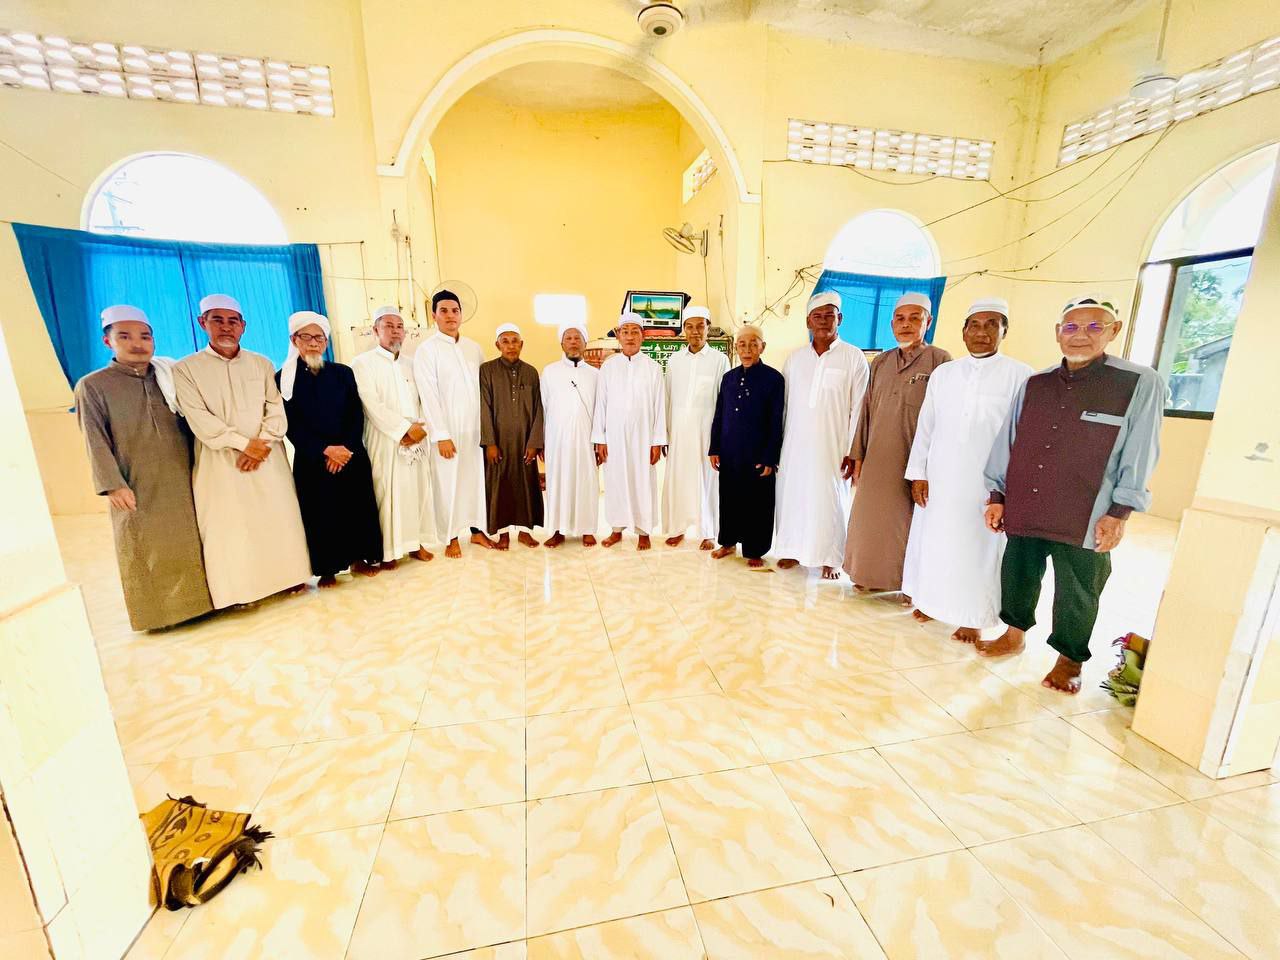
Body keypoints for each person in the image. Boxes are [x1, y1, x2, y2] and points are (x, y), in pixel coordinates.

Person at [981, 294, 1164, 694]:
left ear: (1113, 331)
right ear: (1058, 332)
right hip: (1027, 499)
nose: (1081, 335)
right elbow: (1008, 440)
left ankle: (1070, 658)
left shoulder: (1137, 382)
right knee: (1018, 573)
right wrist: (997, 494)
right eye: (1072, 326)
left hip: (1087, 508)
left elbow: (1142, 448)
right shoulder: (1037, 383)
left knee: (1079, 588)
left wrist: (1120, 510)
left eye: (1094, 326)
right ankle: (1013, 635)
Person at [900, 298, 1032, 641]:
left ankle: (972, 617)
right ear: (963, 332)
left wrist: (1006, 489)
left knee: (978, 549)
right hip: (941, 477)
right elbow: (926, 426)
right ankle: (931, 601)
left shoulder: (1021, 375)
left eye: (992, 325)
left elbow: (1023, 436)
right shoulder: (944, 374)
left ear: (1004, 331)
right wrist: (918, 473)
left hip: (987, 483)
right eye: (974, 324)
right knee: (935, 541)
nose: (982, 332)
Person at [74, 305, 212, 630]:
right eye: (125, 336)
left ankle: (201, 606)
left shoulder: (170, 377)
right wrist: (112, 484)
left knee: (191, 540)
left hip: (183, 474)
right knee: (145, 545)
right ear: (108, 341)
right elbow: (94, 439)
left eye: (145, 336)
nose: (137, 344)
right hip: (134, 480)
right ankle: (158, 616)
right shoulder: (93, 386)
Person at [172, 294, 311, 607]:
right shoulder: (186, 369)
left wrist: (262, 442)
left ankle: (288, 577)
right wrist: (244, 445)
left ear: (243, 326)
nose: (226, 327)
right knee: (232, 526)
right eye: (217, 320)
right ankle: (241, 592)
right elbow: (199, 417)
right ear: (202, 323)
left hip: (267, 456)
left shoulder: (261, 364)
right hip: (222, 460)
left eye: (232, 321)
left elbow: (275, 407)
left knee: (277, 517)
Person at [843, 292, 952, 594]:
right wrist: (858, 455)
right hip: (877, 457)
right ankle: (867, 575)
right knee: (869, 519)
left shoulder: (941, 361)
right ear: (892, 324)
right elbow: (865, 410)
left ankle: (908, 585)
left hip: (914, 461)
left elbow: (945, 418)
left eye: (915, 318)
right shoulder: (881, 362)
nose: (906, 325)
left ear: (928, 322)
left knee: (909, 525)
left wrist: (928, 468)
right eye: (900, 319)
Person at [276, 311, 384, 587]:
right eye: (307, 337)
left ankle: (360, 558)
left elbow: (355, 414)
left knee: (356, 508)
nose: (314, 343)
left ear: (326, 342)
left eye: (319, 337)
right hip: (314, 459)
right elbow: (291, 425)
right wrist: (325, 450)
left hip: (350, 454)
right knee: (322, 514)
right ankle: (328, 568)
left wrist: (345, 448)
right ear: (294, 340)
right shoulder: (283, 379)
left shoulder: (342, 373)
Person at [773, 291, 870, 579]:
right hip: (794, 445)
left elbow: (859, 408)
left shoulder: (853, 358)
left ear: (840, 319)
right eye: (817, 316)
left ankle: (831, 558)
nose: (824, 321)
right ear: (808, 322)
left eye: (830, 315)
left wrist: (853, 450)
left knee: (830, 501)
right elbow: (784, 406)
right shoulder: (795, 359)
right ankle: (791, 549)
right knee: (792, 496)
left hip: (834, 446)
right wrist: (777, 446)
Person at [350, 306, 437, 569]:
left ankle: (415, 543)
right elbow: (371, 404)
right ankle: (390, 551)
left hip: (417, 437)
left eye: (399, 327)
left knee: (417, 491)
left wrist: (420, 428)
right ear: (376, 330)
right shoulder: (362, 363)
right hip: (385, 438)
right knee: (388, 493)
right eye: (389, 326)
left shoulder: (412, 363)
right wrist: (402, 430)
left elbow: (426, 398)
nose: (395, 331)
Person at [413, 289, 495, 558]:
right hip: (447, 431)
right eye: (444, 311)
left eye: (455, 311)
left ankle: (477, 531)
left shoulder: (474, 348)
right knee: (448, 484)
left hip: (475, 430)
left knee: (475, 482)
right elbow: (428, 395)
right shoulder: (427, 351)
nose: (450, 316)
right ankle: (451, 537)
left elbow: (485, 390)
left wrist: (488, 431)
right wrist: (441, 435)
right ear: (434, 315)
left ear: (461, 315)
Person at [709, 325, 784, 569]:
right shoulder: (728, 378)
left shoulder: (774, 379)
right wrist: (714, 448)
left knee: (758, 502)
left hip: (758, 454)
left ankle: (755, 549)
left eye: (753, 344)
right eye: (742, 344)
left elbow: (776, 421)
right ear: (736, 348)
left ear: (763, 347)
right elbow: (719, 414)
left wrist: (770, 457)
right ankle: (728, 542)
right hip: (730, 451)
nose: (747, 349)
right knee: (729, 498)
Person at [593, 313, 667, 550]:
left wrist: (657, 441)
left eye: (635, 332)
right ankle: (617, 529)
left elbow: (659, 406)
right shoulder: (608, 367)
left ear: (643, 336)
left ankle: (644, 531)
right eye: (625, 332)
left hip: (643, 437)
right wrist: (600, 439)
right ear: (618, 336)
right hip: (614, 436)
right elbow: (601, 404)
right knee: (615, 480)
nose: (630, 337)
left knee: (642, 481)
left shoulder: (653, 368)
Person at [662, 304, 730, 550]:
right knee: (679, 480)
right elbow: (667, 398)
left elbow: (724, 401)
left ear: (708, 328)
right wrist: (665, 434)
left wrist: (720, 440)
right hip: (679, 433)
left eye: (700, 326)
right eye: (689, 327)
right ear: (683, 330)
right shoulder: (674, 360)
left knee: (707, 482)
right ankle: (678, 528)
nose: (695, 331)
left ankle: (708, 531)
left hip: (707, 433)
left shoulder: (720, 360)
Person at [479, 323, 544, 549]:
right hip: (498, 441)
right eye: (505, 341)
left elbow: (538, 409)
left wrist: (535, 442)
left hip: (525, 441)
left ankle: (525, 532)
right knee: (500, 486)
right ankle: (503, 534)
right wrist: (490, 442)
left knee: (526, 485)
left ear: (521, 344)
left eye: (514, 341)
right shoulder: (487, 370)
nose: (510, 346)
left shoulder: (531, 372)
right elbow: (484, 407)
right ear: (497, 345)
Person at [541, 321, 600, 548]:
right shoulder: (550, 372)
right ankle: (558, 530)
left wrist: (600, 441)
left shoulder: (595, 374)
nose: (573, 342)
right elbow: (543, 408)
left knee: (587, 483)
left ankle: (587, 529)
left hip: (586, 439)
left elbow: (601, 410)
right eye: (569, 338)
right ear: (562, 344)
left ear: (585, 343)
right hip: (557, 439)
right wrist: (542, 442)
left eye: (578, 338)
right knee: (558, 483)